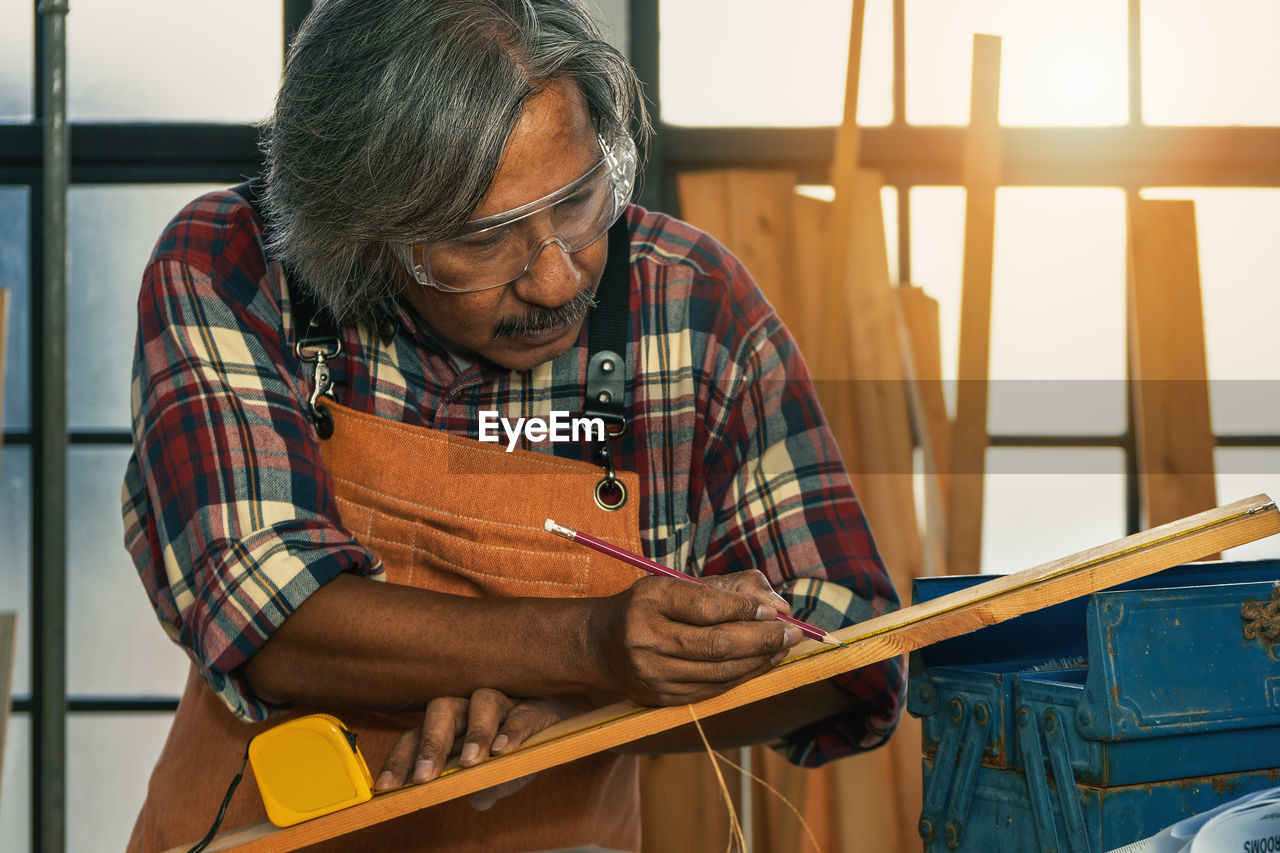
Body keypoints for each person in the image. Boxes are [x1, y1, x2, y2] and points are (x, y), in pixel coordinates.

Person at [122, 0, 904, 850]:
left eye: (577, 202)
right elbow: (272, 623)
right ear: (365, 235)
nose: (559, 279)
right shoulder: (231, 266)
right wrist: (593, 643)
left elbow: (851, 647)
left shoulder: (691, 303)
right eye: (486, 241)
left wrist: (596, 706)